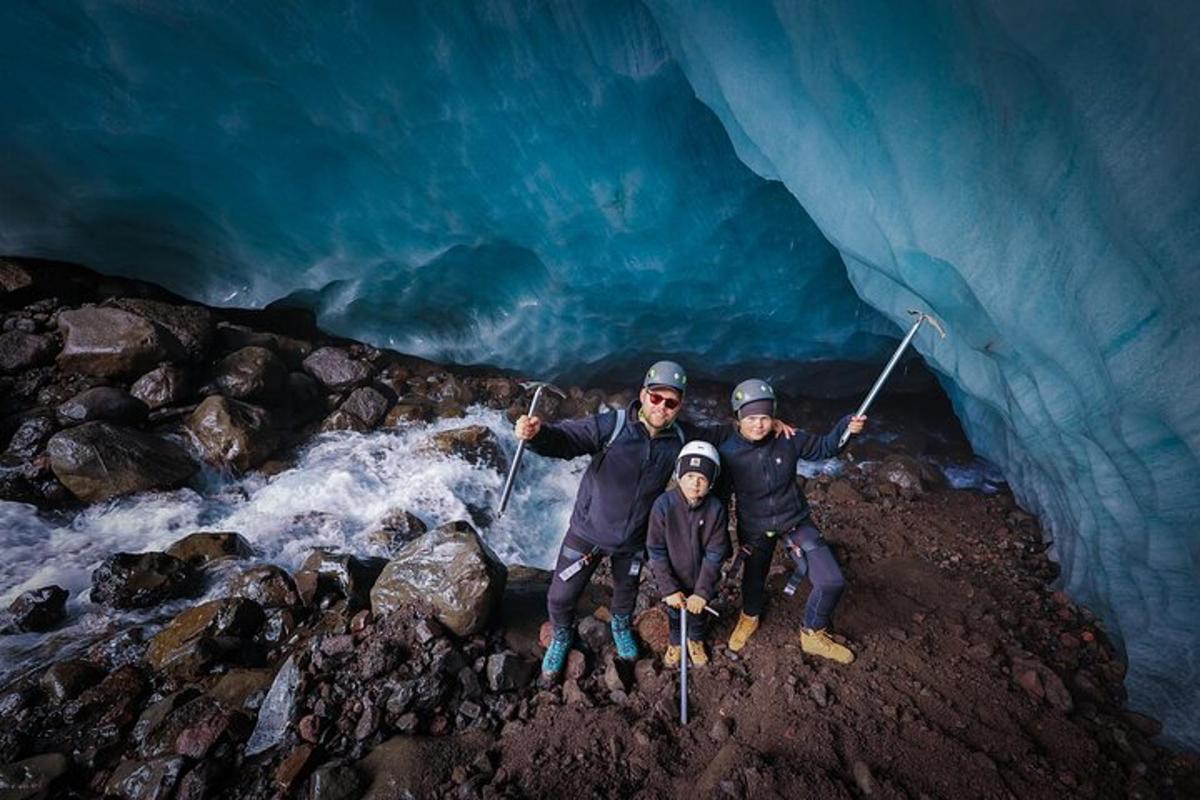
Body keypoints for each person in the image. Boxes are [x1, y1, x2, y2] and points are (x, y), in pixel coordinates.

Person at [715, 379, 866, 664]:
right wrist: (719, 536)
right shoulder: (728, 452)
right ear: (738, 418)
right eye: (751, 418)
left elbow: (825, 448)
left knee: (832, 580)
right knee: (753, 577)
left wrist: (847, 426)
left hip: (794, 520)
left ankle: (812, 633)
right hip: (755, 526)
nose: (758, 424)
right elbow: (721, 497)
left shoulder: (788, 438)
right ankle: (749, 616)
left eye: (765, 417)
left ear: (773, 417)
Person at [647, 441, 729, 668]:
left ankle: (695, 639)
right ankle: (676, 641)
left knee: (698, 614)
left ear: (711, 483)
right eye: (690, 476)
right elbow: (656, 550)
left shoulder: (715, 510)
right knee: (675, 613)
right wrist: (669, 588)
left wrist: (702, 593)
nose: (695, 483)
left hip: (700, 577)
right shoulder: (663, 506)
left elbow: (715, 553)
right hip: (673, 576)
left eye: (702, 478)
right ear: (679, 475)